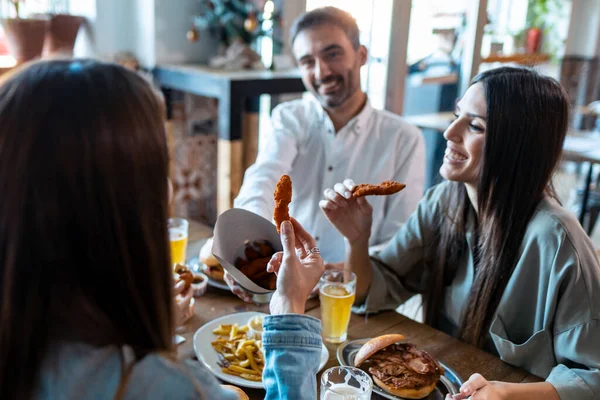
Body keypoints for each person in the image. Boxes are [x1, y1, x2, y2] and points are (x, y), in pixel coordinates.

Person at [0, 60, 324, 400]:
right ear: (123, 205)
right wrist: (289, 306)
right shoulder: (167, 388)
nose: (169, 188)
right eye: (161, 168)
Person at [320, 67, 600, 399]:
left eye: (475, 126)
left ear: (519, 146)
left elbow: (592, 376)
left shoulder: (557, 242)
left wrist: (507, 394)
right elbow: (377, 289)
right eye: (456, 116)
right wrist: (357, 240)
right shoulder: (441, 204)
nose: (450, 132)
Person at [225, 6, 425, 300]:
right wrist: (246, 242)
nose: (322, 72)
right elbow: (264, 177)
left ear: (361, 55)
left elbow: (401, 240)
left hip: (355, 296)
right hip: (286, 286)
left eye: (333, 54)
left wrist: (346, 266)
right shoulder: (288, 118)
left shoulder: (404, 138)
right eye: (308, 61)